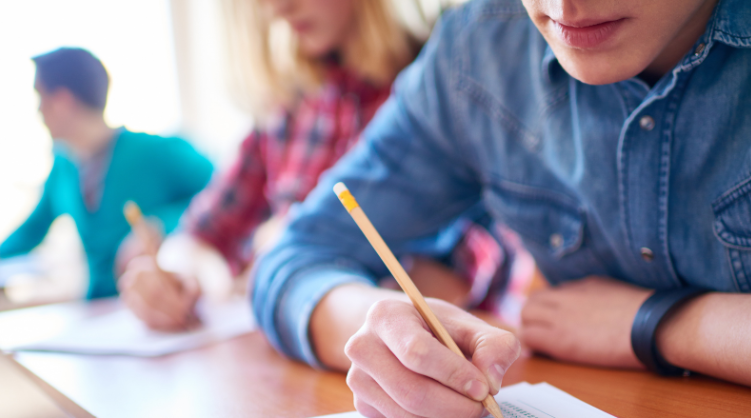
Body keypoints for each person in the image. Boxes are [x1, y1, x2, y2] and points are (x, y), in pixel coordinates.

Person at [252, 0, 751, 418]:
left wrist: (664, 326)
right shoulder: (478, 47)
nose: (565, 5)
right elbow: (293, 259)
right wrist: (388, 331)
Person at [119, 0, 515, 330]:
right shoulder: (287, 105)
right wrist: (182, 279)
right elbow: (204, 234)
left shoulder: (444, 84)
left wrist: (294, 253)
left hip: (447, 350)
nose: (277, 9)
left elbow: (471, 263)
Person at [0, 47, 213, 300]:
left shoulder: (155, 152)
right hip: (97, 309)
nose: (39, 112)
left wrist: (160, 224)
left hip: (158, 302)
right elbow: (31, 231)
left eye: (41, 99)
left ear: (63, 101)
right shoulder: (62, 168)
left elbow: (223, 193)